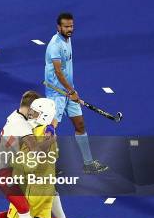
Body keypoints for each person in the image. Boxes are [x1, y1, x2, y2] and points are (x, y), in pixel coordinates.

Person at [45, 12, 108, 174]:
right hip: (57, 94)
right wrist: (71, 90)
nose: (69, 29)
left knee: (80, 125)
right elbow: (58, 72)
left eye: (71, 26)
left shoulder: (68, 39)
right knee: (50, 130)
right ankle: (46, 166)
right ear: (58, 27)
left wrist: (71, 90)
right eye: (66, 26)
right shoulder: (55, 45)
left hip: (69, 91)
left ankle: (88, 163)